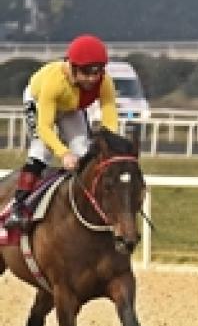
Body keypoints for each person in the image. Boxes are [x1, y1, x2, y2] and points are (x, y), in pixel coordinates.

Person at [5, 34, 120, 231]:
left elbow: (109, 116)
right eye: (86, 72)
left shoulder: (105, 82)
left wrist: (109, 144)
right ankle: (18, 205)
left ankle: (87, 203)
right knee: (42, 150)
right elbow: (45, 128)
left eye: (98, 72)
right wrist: (63, 153)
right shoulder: (54, 81)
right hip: (39, 101)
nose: (92, 79)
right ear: (72, 67)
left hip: (70, 108)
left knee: (84, 151)